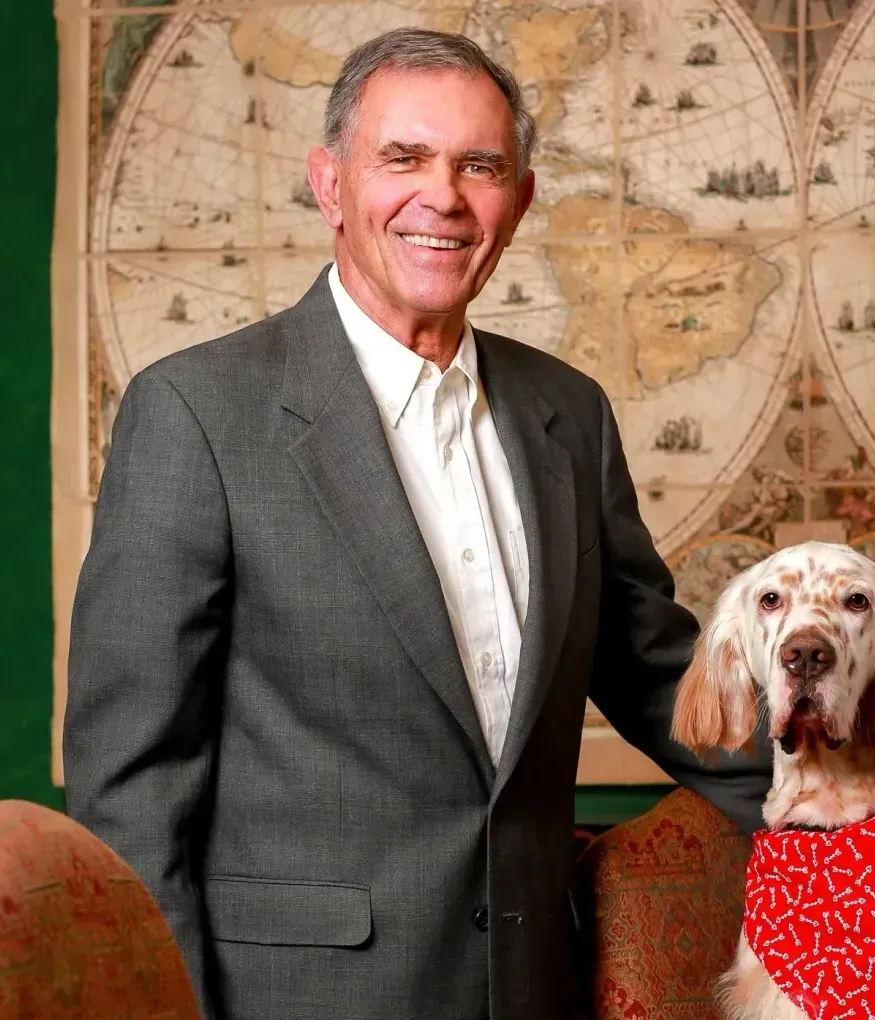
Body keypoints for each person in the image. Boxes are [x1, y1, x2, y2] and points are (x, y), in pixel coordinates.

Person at [63, 27, 771, 1020]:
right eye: (402, 159)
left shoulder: (566, 412)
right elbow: (131, 785)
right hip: (294, 999)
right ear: (329, 185)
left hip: (530, 989)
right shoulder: (197, 414)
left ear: (516, 204)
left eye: (478, 166)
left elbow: (658, 673)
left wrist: (864, 808)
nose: (441, 196)